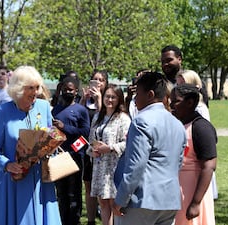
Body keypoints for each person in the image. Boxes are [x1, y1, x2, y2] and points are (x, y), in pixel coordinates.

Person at [0, 66, 62, 225]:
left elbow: (50, 135)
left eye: (37, 87)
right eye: (31, 88)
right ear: (19, 89)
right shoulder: (3, 110)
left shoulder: (44, 106)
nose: (36, 92)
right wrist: (6, 164)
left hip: (40, 181)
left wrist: (51, 148)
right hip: (14, 181)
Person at [113, 72, 187, 225]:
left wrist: (121, 199)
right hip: (169, 200)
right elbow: (178, 163)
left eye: (138, 94)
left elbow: (136, 166)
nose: (135, 99)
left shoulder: (141, 121)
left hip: (142, 199)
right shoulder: (177, 124)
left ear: (150, 95)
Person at [170, 84, 217, 225]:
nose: (171, 105)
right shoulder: (178, 124)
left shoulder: (201, 128)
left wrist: (196, 203)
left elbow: (209, 166)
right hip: (175, 191)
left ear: (190, 103)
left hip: (192, 192)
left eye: (176, 101)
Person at [88, 84, 131, 225]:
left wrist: (110, 148)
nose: (110, 100)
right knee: (103, 203)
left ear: (119, 99)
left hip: (114, 167)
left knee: (114, 204)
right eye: (107, 96)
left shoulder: (123, 119)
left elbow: (128, 143)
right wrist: (92, 151)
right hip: (99, 167)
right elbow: (90, 141)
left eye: (113, 97)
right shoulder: (97, 117)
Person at [52, 76, 90, 225]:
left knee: (73, 192)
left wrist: (64, 127)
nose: (68, 91)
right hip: (58, 156)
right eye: (65, 89)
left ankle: (75, 221)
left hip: (75, 155)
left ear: (76, 92)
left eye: (71, 90)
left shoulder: (81, 110)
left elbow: (85, 132)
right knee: (61, 193)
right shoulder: (56, 109)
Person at [79, 69, 108, 225]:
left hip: (102, 149)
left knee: (102, 186)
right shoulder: (86, 99)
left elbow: (104, 117)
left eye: (101, 80)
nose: (98, 83)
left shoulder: (108, 99)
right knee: (88, 184)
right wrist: (83, 100)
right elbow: (78, 115)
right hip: (87, 147)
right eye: (95, 79)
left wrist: (99, 99)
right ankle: (90, 220)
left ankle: (104, 215)